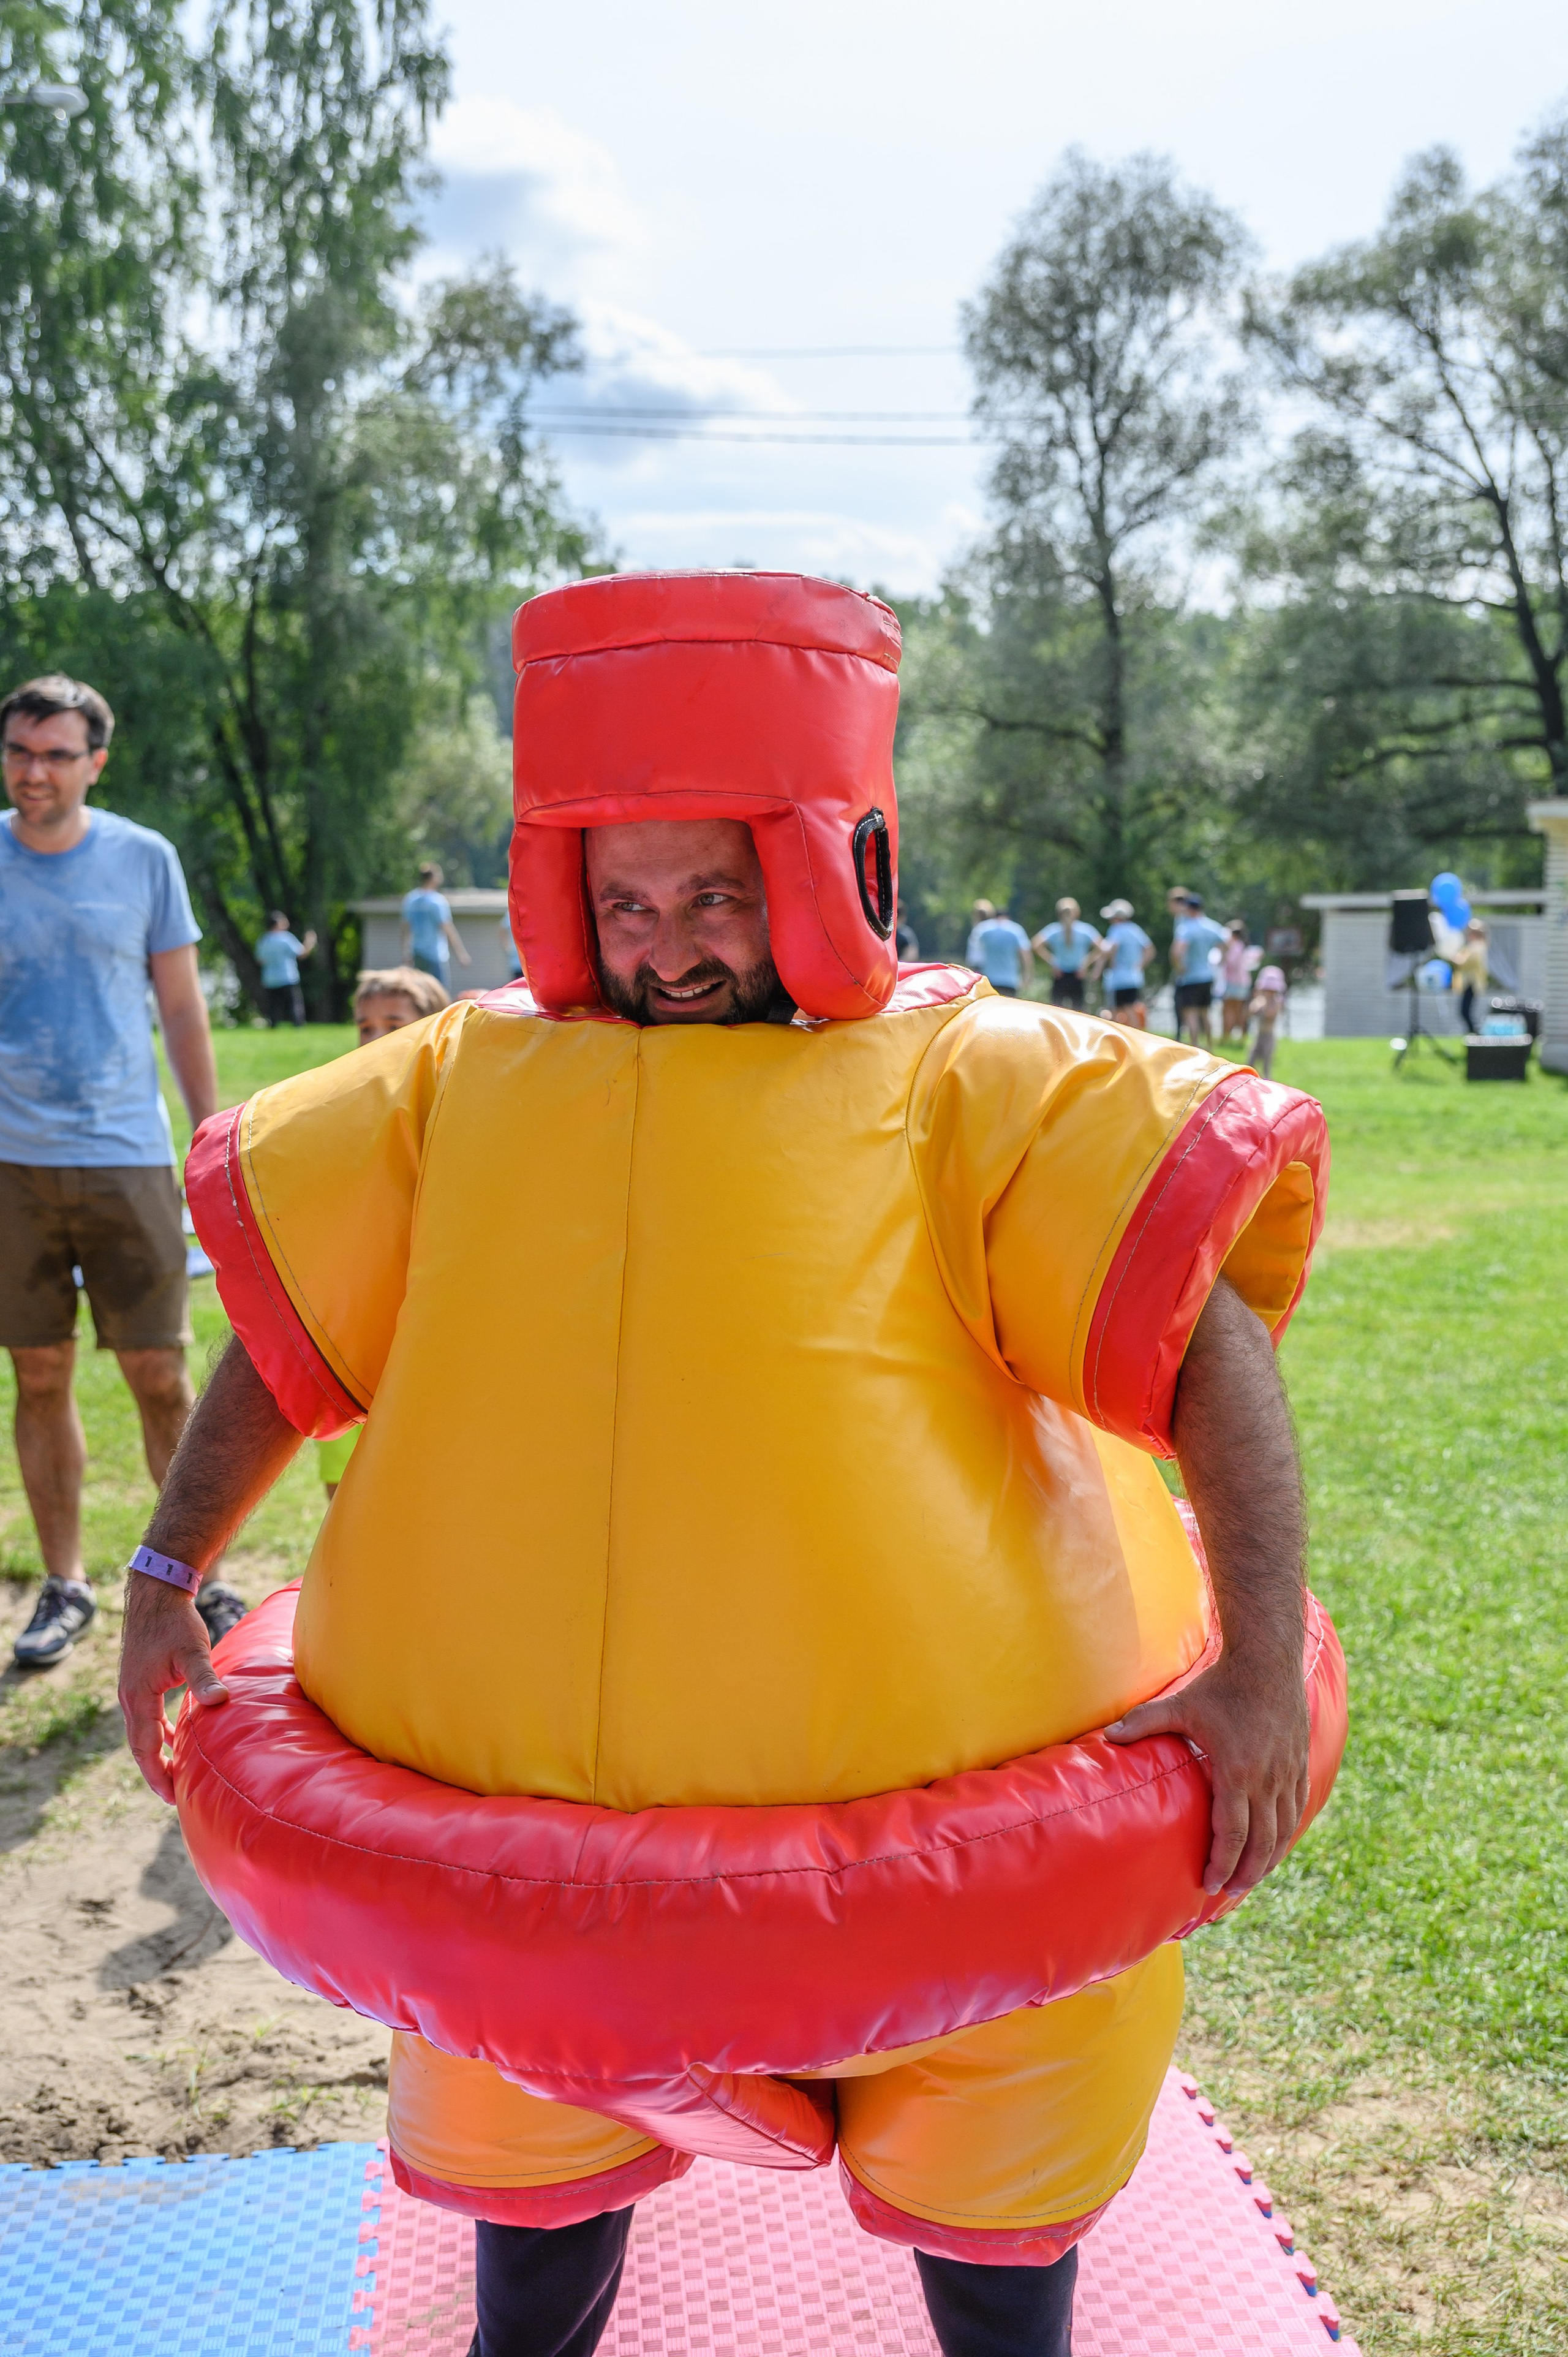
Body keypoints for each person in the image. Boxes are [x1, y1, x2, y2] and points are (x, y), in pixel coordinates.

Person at [119, 576, 1340, 2357]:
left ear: (829, 870)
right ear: (563, 896)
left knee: (999, 2279)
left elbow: (1202, 1336)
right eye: (627, 902)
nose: (670, 941)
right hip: (505, 1895)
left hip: (970, 1881)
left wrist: (1242, 1667)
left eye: (714, 891)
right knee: (525, 2280)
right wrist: (164, 1583)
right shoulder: (460, 1084)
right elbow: (289, 1340)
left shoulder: (971, 1076)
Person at [0, 673, 245, 1667]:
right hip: (12, 1161)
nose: (33, 772)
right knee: (40, 1370)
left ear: (96, 762)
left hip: (127, 1154)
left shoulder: (145, 859)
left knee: (160, 1373)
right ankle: (66, 1585)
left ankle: (204, 1579)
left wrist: (209, 1132)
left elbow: (181, 1009)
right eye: (19, 751)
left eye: (57, 754)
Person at [314, 967, 453, 1500]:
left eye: (393, 1023)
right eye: (364, 1026)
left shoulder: (459, 1102)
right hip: (355, 1319)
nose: (375, 1038)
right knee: (345, 1476)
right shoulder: (338, 1099)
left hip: (426, 1317)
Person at [1167, 891, 1229, 1048]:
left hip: (1190, 977)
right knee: (1205, 1013)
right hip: (1207, 975)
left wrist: (1179, 967)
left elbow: (1177, 952)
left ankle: (1195, 1047)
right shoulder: (1212, 926)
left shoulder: (1186, 928)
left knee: (1191, 1014)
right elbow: (1226, 944)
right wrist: (1221, 960)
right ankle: (1209, 1046)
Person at [401, 861, 472, 991]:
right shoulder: (437, 901)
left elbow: (406, 928)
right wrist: (461, 954)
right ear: (433, 878)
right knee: (441, 993)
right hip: (435, 955)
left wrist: (406, 953)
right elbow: (448, 929)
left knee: (420, 993)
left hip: (417, 954)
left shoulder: (411, 899)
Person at [1031, 898, 1101, 1012]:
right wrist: (1086, 963)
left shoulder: (1054, 929)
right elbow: (1102, 948)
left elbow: (1036, 944)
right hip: (1071, 973)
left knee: (1058, 1010)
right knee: (1077, 1011)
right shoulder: (1084, 930)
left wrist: (1053, 962)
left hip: (1066, 973)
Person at [1094, 898, 1155, 1026]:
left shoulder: (1116, 930)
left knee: (1117, 1012)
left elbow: (1110, 948)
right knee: (1132, 1009)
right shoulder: (1135, 930)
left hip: (1118, 979)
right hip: (1134, 977)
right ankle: (1136, 1039)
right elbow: (1150, 950)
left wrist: (1110, 962)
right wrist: (1140, 965)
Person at [255, 910, 317, 1027]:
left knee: (273, 1006)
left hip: (270, 978)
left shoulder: (264, 940)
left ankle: (273, 1026)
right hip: (287, 977)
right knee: (294, 1004)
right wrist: (310, 941)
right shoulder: (286, 938)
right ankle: (298, 1025)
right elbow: (302, 953)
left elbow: (260, 960)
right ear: (277, 923)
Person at [964, 899, 1033, 996]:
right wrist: (1027, 977)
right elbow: (1026, 955)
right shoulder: (1016, 930)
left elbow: (974, 956)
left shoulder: (983, 929)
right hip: (1010, 981)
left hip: (988, 980)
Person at [1217, 918, 1262, 1042]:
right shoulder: (1243, 946)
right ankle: (1242, 1036)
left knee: (1229, 1010)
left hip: (1234, 982)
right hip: (1242, 982)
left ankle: (1226, 1036)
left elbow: (1231, 963)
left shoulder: (1235, 947)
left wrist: (1223, 954)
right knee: (1240, 1011)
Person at [1449, 918, 1490, 1036]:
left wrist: (1453, 956)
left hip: (1472, 984)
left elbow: (1466, 962)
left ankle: (1475, 1033)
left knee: (1465, 1011)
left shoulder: (1478, 946)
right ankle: (1473, 1033)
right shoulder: (1473, 946)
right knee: (1465, 1011)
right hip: (1468, 984)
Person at [1249, 964, 1287, 1080]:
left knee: (1266, 1064)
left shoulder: (1276, 1002)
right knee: (1251, 1061)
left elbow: (1269, 1014)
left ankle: (1267, 1082)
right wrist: (1258, 998)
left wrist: (1265, 1002)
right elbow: (1250, 1012)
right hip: (1259, 1036)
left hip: (1269, 1037)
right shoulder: (1260, 1000)